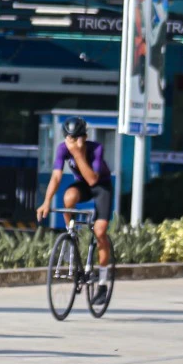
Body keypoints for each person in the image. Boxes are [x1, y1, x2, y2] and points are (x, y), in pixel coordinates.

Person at [37, 116, 114, 304]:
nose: (72, 142)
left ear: (85, 137)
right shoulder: (62, 149)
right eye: (69, 138)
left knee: (100, 232)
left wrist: (78, 154)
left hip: (101, 186)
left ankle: (102, 284)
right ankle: (71, 234)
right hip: (82, 185)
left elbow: (93, 180)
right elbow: (56, 177)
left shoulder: (96, 149)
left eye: (77, 138)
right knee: (68, 197)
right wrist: (46, 202)